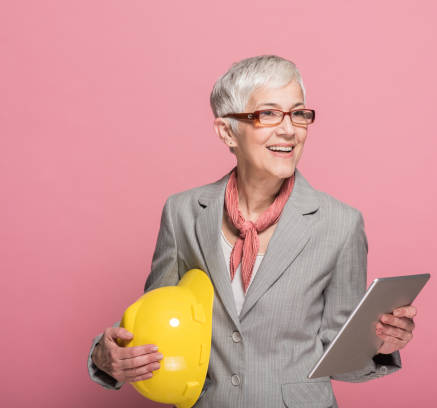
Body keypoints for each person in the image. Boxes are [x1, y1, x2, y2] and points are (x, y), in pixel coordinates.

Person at [87, 55, 418, 407]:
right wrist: (106, 358)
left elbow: (338, 353)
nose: (289, 130)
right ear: (227, 131)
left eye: (298, 113)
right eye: (269, 114)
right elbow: (156, 324)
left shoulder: (340, 223)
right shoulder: (181, 213)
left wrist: (380, 345)